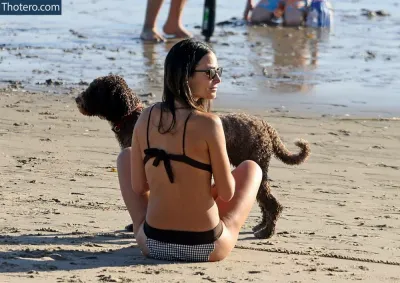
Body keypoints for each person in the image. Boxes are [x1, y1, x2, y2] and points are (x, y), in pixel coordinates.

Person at [117, 39, 262, 262]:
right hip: (205, 246)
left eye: (218, 71)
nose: (218, 79)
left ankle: (148, 225)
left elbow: (139, 187)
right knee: (252, 169)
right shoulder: (209, 124)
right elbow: (226, 193)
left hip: (153, 244)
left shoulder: (145, 117)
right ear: (186, 76)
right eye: (210, 73)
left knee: (125, 156)